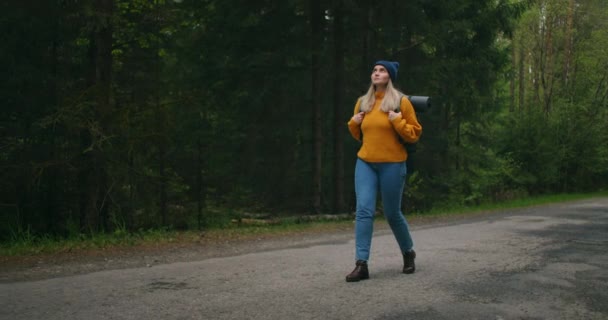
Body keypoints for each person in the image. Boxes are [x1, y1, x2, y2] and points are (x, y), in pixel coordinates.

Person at [345, 60, 422, 282]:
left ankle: (408, 252)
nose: (376, 73)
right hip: (366, 163)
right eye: (375, 70)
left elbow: (414, 134)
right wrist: (353, 123)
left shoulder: (401, 102)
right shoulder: (363, 102)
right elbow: (361, 135)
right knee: (363, 211)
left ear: (390, 76)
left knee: (392, 213)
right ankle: (361, 265)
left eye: (382, 70)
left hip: (393, 163)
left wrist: (398, 122)